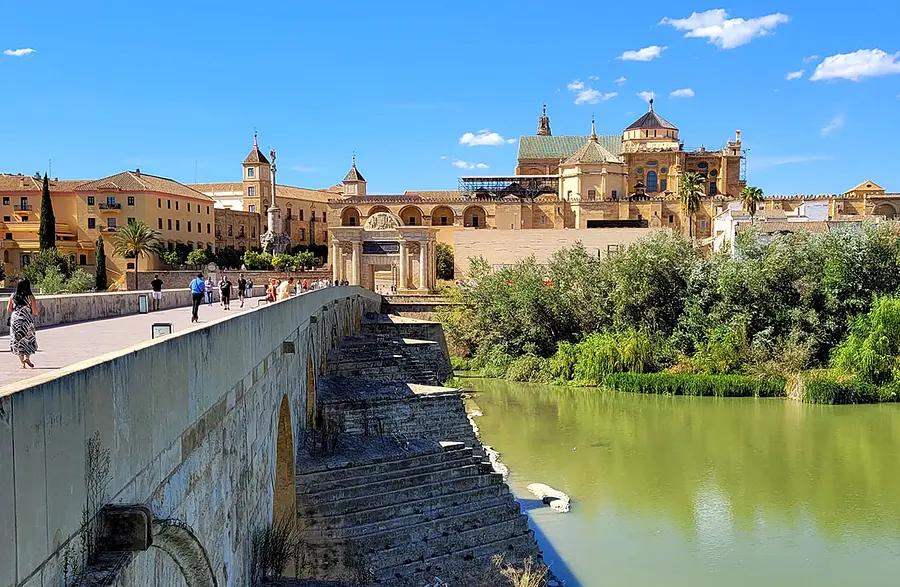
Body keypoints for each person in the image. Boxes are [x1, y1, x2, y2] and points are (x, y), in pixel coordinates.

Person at [7, 279, 39, 369]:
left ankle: (22, 364)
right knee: (28, 338)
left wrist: (17, 311)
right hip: (26, 320)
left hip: (15, 320)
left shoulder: (13, 296)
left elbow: (9, 309)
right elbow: (35, 312)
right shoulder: (30, 297)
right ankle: (27, 358)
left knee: (17, 339)